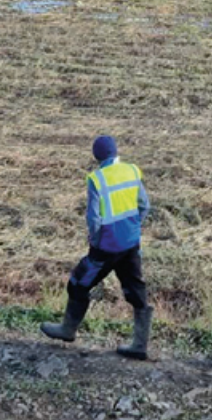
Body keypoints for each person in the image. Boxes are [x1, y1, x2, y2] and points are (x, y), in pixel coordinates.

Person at [40, 136, 153, 361]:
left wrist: (95, 240)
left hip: (106, 246)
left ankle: (67, 329)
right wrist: (132, 227)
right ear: (116, 151)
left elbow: (94, 218)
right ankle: (140, 344)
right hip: (130, 243)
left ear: (96, 156)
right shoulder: (132, 171)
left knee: (78, 282)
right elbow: (144, 205)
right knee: (136, 290)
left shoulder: (96, 179)